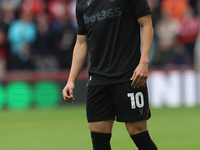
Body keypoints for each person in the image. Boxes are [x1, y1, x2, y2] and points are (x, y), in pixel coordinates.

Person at [62, 0, 157, 149]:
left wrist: (143, 63)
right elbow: (81, 42)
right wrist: (71, 80)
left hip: (129, 77)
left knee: (138, 133)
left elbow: (147, 25)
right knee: (99, 139)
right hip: (97, 79)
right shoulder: (82, 3)